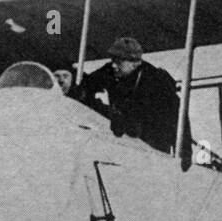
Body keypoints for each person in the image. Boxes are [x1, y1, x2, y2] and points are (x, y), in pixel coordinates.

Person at [69, 36, 193, 169]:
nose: (114, 65)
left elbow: (178, 116)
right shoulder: (110, 71)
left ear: (135, 63)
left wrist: (185, 152)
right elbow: (85, 87)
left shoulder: (157, 80)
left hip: (153, 140)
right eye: (113, 60)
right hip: (123, 134)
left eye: (119, 62)